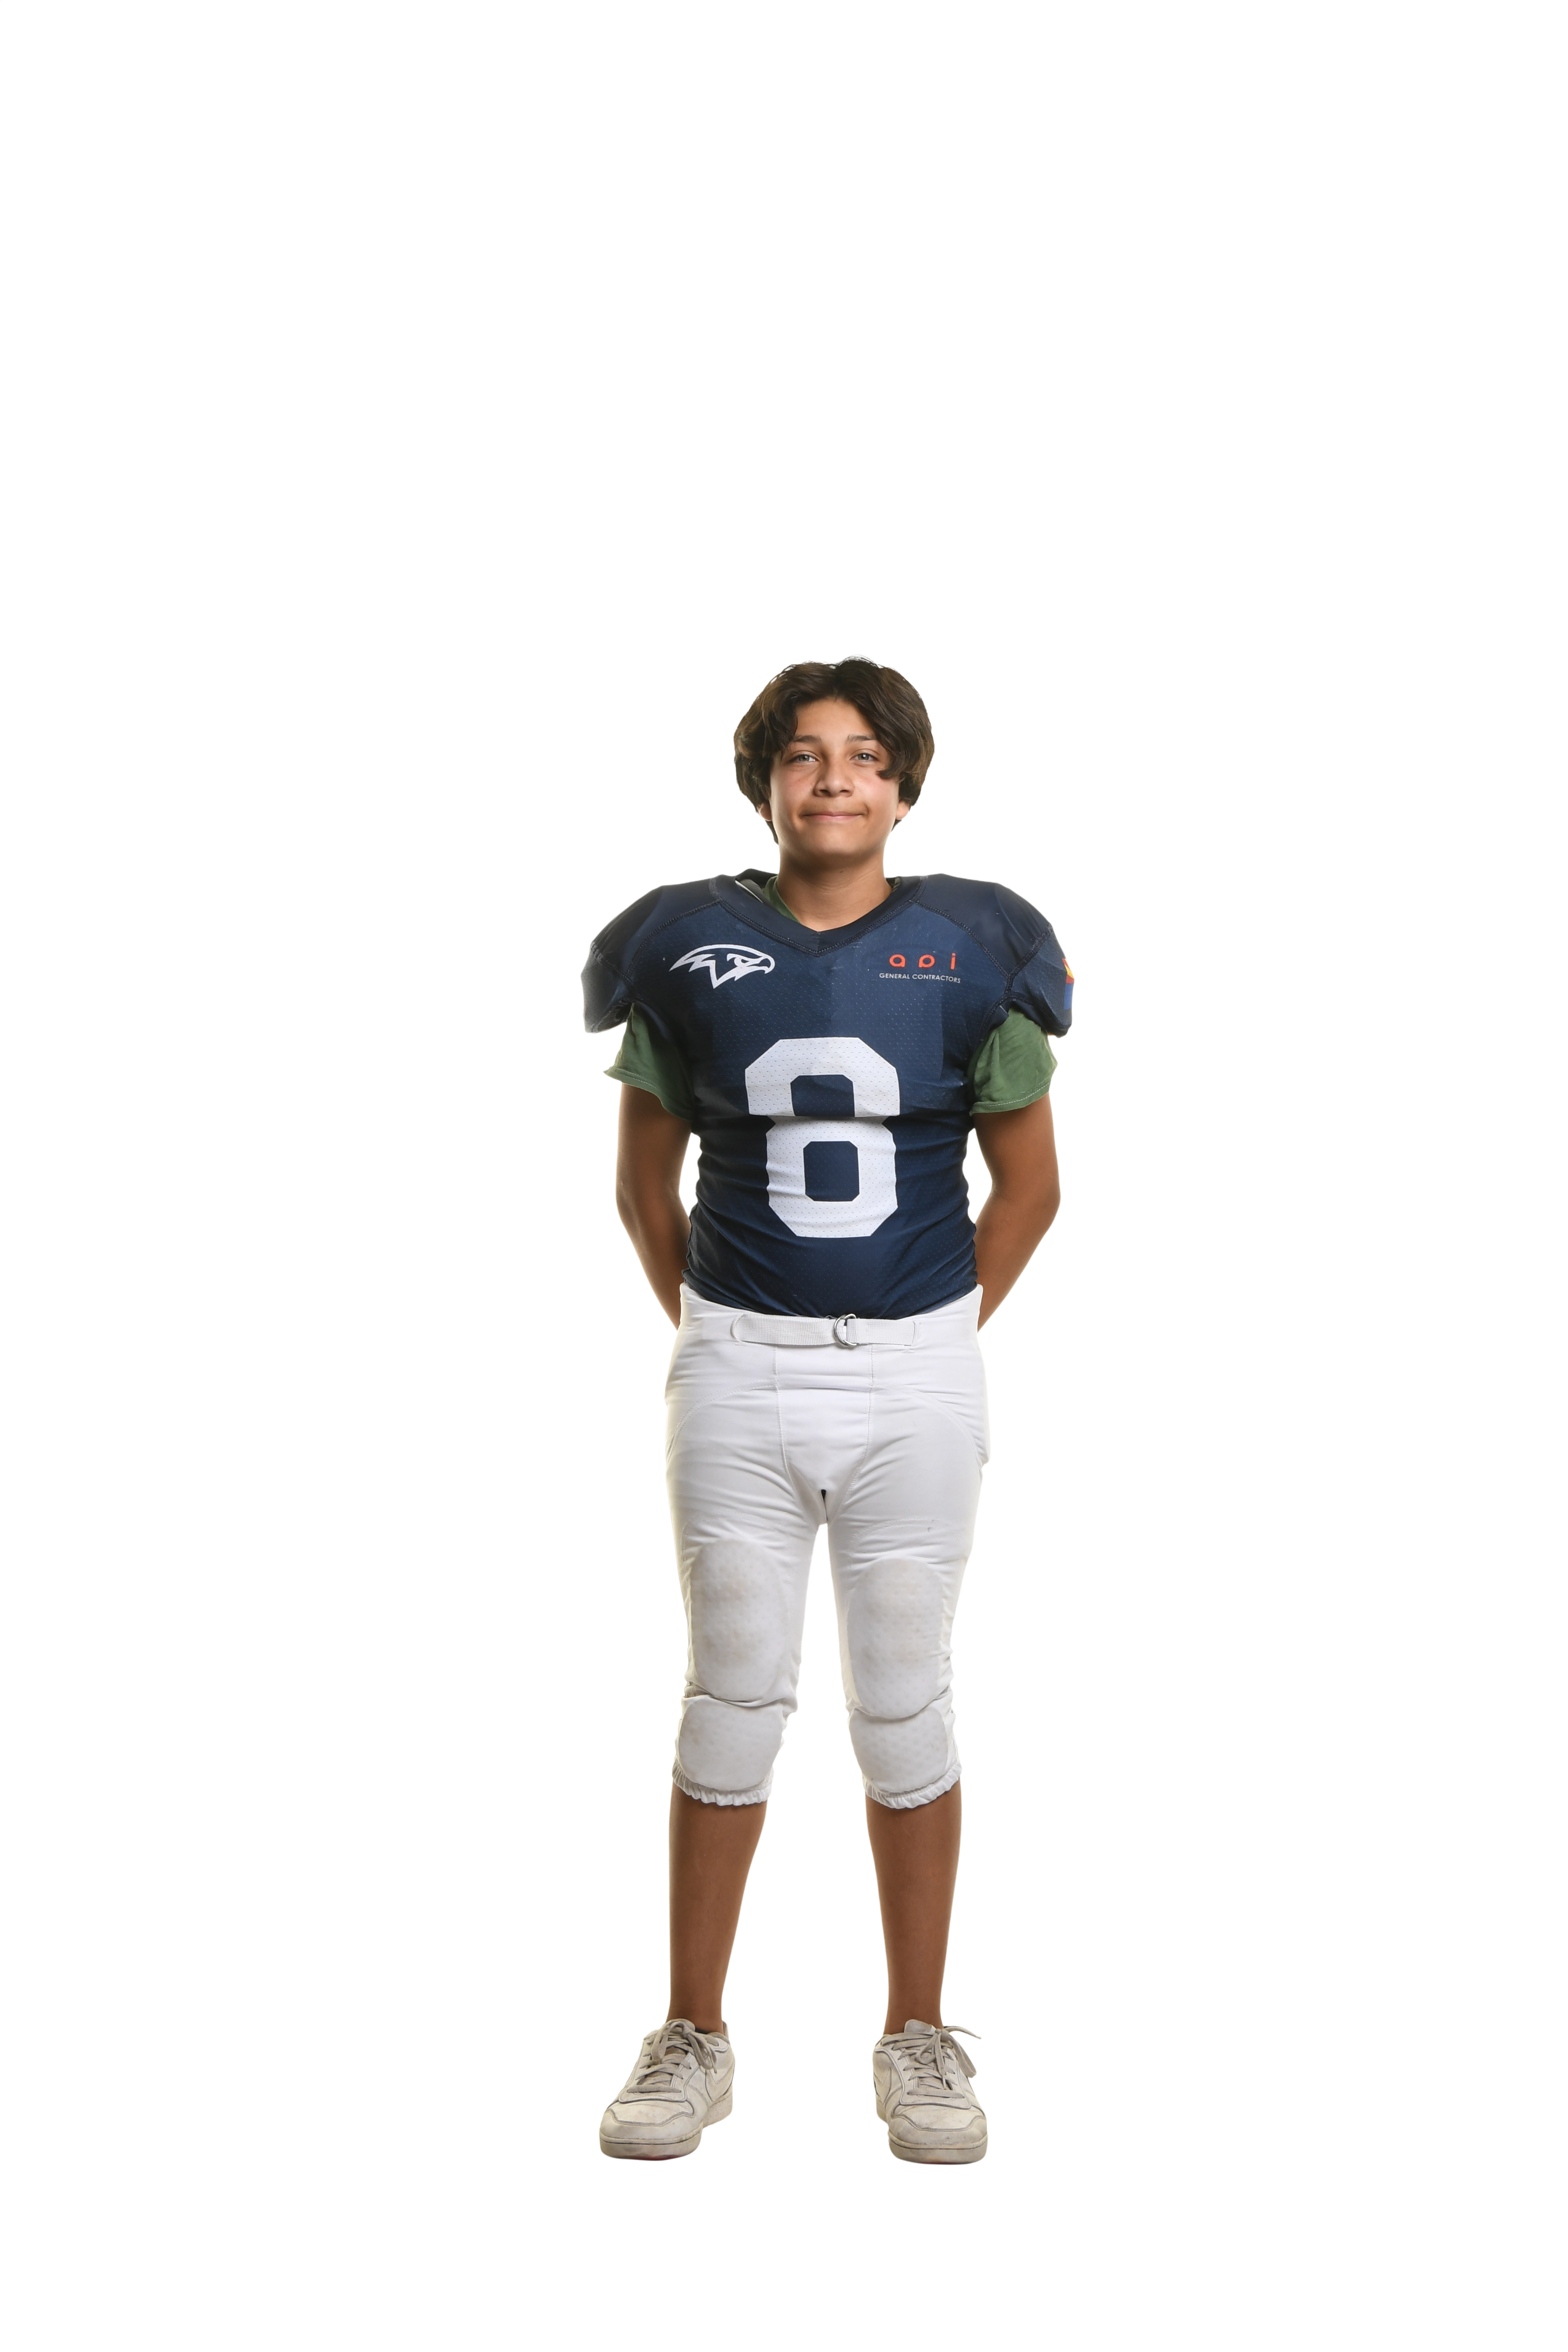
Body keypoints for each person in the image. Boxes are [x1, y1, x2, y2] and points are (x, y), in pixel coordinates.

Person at [583, 655, 1072, 2163]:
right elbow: (642, 1186)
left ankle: (920, 2035)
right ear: (764, 785)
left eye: (867, 754)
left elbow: (1031, 1188)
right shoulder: (685, 944)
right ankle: (692, 2036)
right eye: (804, 754)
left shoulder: (975, 944)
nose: (836, 777)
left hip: (917, 1368)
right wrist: (728, 1335)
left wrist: (924, 1332)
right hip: (739, 1362)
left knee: (905, 1695)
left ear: (907, 785)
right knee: (731, 1693)